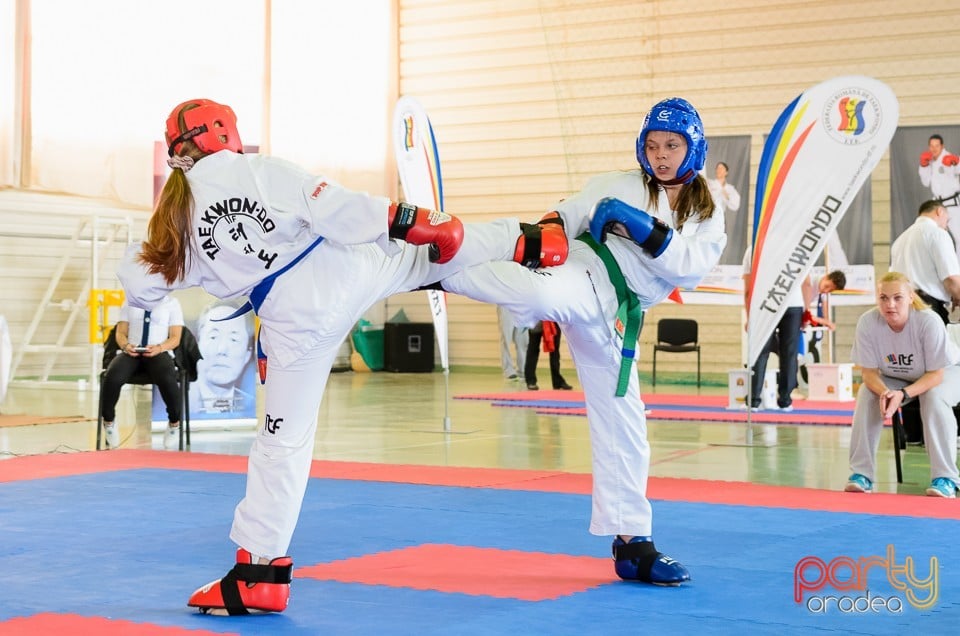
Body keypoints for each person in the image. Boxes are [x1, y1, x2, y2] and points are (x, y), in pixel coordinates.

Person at [117, 98, 568, 615]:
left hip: (294, 319)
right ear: (225, 134)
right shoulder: (260, 169)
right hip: (347, 266)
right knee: (431, 259)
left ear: (177, 151)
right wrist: (409, 219)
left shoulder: (175, 215)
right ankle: (527, 239)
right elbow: (335, 206)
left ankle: (259, 575)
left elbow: (140, 283)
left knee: (281, 442)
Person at [441, 97, 725, 586]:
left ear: (693, 148)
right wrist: (554, 227)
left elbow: (687, 267)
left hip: (615, 315)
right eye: (653, 145)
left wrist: (637, 224)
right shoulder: (619, 184)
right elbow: (566, 214)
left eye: (672, 146)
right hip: (584, 272)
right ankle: (435, 263)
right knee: (534, 289)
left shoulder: (707, 209)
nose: (661, 156)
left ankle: (633, 544)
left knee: (626, 425)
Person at [845, 272, 960, 498]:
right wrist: (887, 393)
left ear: (910, 297)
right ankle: (861, 474)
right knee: (868, 394)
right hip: (898, 377)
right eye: (883, 298)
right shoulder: (868, 323)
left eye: (897, 298)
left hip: (945, 372)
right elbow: (868, 374)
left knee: (934, 396)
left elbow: (935, 375)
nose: (890, 304)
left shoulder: (928, 321)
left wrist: (902, 394)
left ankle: (945, 478)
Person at [101, 295, 184, 450]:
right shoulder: (129, 301)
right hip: (132, 351)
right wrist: (126, 346)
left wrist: (159, 347)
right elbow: (120, 333)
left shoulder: (171, 303)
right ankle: (109, 422)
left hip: (158, 351)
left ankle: (174, 423)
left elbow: (175, 338)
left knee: (167, 379)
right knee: (112, 377)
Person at [890, 199, 960, 324]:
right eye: (947, 221)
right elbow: (951, 278)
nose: (946, 226)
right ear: (939, 212)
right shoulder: (938, 234)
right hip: (928, 309)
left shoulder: (900, 240)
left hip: (903, 310)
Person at [191, 300, 256, 416]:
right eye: (213, 337)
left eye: (234, 339)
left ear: (247, 355)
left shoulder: (252, 405)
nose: (221, 350)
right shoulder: (171, 401)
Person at [918, 134, 960, 256]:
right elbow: (925, 182)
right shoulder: (929, 161)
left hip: (953, 204)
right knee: (934, 237)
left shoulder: (949, 157)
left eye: (937, 146)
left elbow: (958, 170)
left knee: (958, 238)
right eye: (931, 146)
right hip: (937, 205)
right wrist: (923, 166)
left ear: (942, 146)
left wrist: (957, 162)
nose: (934, 149)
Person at [524, 320, 573, 391]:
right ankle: (530, 381)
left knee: (554, 351)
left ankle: (557, 381)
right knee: (533, 349)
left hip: (552, 320)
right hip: (537, 319)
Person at [496, 304, 527, 380]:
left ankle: (522, 370)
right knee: (506, 338)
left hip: (522, 305)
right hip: (506, 304)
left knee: (523, 340)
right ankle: (509, 370)